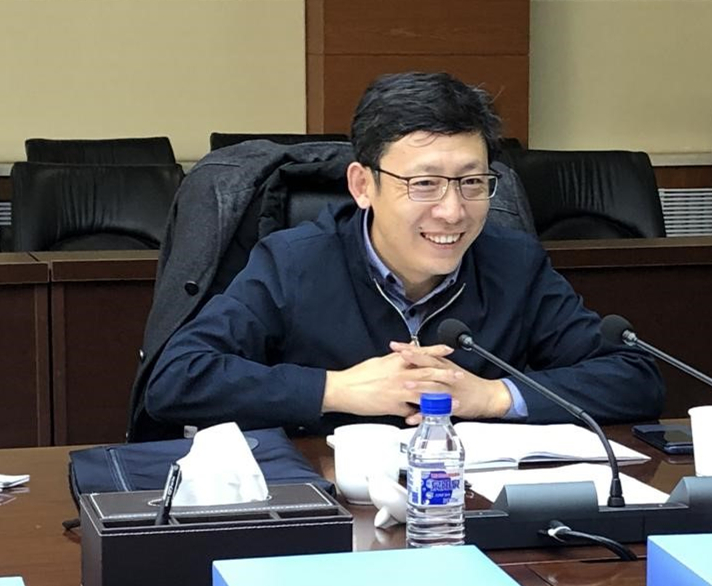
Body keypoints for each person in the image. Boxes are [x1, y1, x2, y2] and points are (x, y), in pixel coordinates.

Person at [145, 72, 664, 434]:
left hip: (471, 512)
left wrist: (491, 396)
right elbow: (176, 379)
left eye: (472, 182)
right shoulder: (293, 263)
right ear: (362, 185)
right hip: (332, 518)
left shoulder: (512, 263)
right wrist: (336, 389)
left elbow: (635, 377)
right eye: (424, 184)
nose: (453, 212)